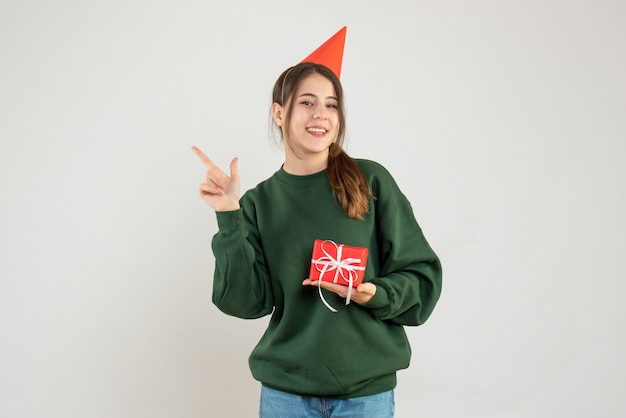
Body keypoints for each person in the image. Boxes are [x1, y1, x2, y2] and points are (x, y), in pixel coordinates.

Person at [192, 28, 442, 418]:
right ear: (279, 112)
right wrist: (229, 214)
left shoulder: (371, 181)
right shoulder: (257, 203)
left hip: (366, 395)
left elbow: (422, 279)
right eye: (307, 102)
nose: (320, 115)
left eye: (331, 105)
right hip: (286, 395)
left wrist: (372, 292)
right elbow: (245, 302)